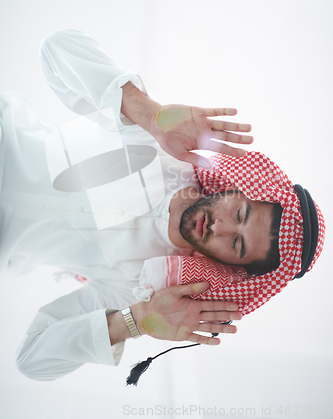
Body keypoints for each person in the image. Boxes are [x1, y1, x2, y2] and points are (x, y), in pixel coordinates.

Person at [0, 29, 324, 381]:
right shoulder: (160, 146)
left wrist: (136, 322)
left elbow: (31, 359)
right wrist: (149, 114)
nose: (222, 227)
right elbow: (55, 50)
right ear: (238, 191)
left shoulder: (139, 285)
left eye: (236, 243)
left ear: (231, 266)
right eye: (240, 214)